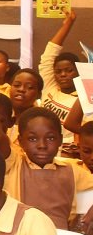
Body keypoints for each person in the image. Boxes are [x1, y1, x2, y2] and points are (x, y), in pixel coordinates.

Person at [0, 74, 93, 231]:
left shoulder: (73, 171)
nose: (42, 145)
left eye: (50, 138)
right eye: (32, 139)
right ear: (21, 141)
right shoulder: (14, 163)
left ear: (60, 140)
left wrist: (82, 223)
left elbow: (86, 206)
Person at [39, 9, 80, 144]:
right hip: (38, 141)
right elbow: (49, 55)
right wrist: (67, 24)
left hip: (66, 148)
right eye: (58, 71)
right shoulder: (50, 87)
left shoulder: (82, 100)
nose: (63, 75)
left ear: (79, 72)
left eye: (69, 71)